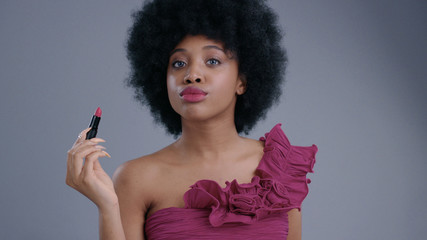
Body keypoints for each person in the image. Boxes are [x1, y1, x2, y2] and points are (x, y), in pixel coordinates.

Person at [66, 0, 318, 239]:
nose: (192, 74)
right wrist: (107, 206)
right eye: (178, 63)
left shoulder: (281, 166)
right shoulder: (136, 178)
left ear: (242, 81)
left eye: (212, 60)